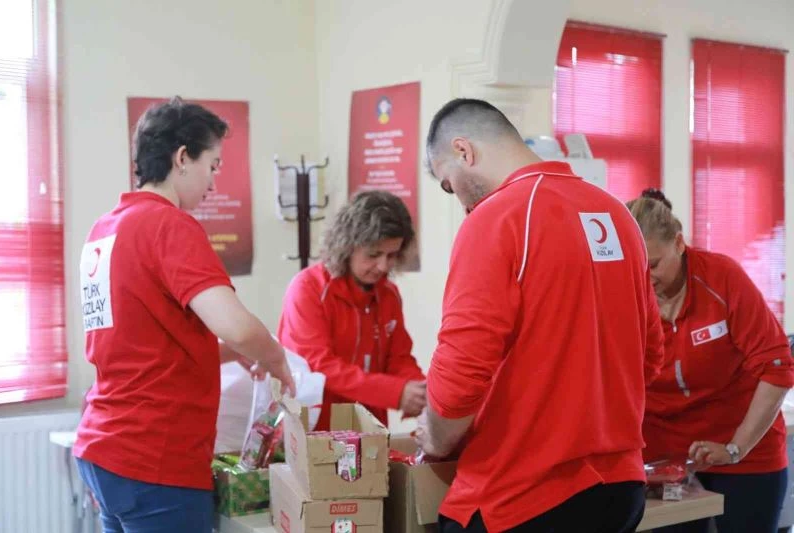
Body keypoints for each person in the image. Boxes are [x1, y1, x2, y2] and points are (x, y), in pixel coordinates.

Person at [415, 98, 665, 533]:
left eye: (448, 185)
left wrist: (434, 437)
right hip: (619, 492)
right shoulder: (617, 216)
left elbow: (459, 378)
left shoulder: (496, 218)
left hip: (524, 494)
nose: (458, 200)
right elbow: (650, 356)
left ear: (463, 151)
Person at [74, 97, 295, 533]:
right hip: (156, 457)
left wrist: (230, 354)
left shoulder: (105, 230)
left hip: (104, 447)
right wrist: (275, 356)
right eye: (212, 165)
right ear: (182, 158)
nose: (213, 182)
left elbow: (144, 347)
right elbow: (237, 326)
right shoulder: (169, 225)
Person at [628, 189, 794, 533]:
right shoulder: (624, 293)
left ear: (679, 243)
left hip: (743, 450)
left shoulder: (722, 278)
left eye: (654, 265)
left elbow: (776, 367)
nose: (646, 279)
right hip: (662, 460)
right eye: (636, 268)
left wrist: (735, 448)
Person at [278, 190, 426, 430]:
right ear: (347, 246)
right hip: (315, 430)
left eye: (392, 255)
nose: (383, 266)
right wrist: (397, 392)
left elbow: (398, 359)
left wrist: (421, 390)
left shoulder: (389, 294)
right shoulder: (308, 288)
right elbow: (318, 366)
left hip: (370, 431)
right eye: (373, 255)